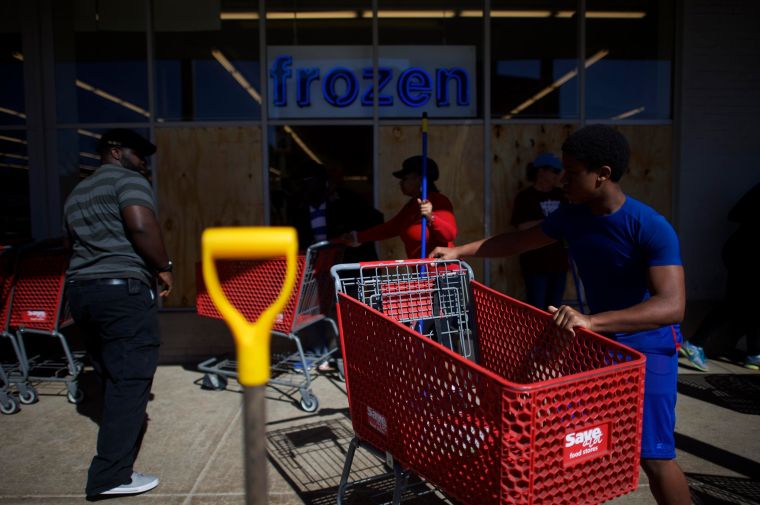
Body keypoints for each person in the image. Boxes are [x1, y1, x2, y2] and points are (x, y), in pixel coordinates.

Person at [431, 125, 691, 505]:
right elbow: (518, 241)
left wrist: (591, 321)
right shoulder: (573, 216)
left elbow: (672, 306)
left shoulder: (649, 226)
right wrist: (460, 251)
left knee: (653, 458)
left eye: (571, 172)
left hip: (647, 349)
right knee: (569, 442)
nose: (562, 179)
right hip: (597, 347)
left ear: (601, 174)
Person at [63, 128, 173, 499]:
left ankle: (115, 451)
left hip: (81, 290)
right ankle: (110, 475)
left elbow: (73, 242)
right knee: (132, 378)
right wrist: (163, 265)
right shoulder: (127, 180)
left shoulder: (78, 192)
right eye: (139, 154)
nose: (144, 162)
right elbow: (141, 225)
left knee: (111, 372)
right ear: (114, 151)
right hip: (121, 290)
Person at [681, 181, 760, 371]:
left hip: (744, 254)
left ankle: (753, 354)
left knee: (751, 305)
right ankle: (694, 343)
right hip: (745, 255)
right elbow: (734, 214)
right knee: (736, 303)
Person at [346, 155, 457, 259]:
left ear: (419, 179)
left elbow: (449, 234)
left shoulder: (438, 201)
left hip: (445, 275)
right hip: (425, 276)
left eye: (405, 179)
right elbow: (389, 229)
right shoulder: (411, 206)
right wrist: (357, 237)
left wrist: (431, 217)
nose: (400, 183)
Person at [510, 153, 568, 310]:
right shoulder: (526, 197)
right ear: (541, 171)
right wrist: (550, 223)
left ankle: (551, 336)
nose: (558, 176)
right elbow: (522, 226)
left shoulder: (562, 195)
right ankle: (537, 336)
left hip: (559, 262)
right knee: (536, 308)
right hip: (535, 263)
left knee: (554, 309)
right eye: (555, 171)